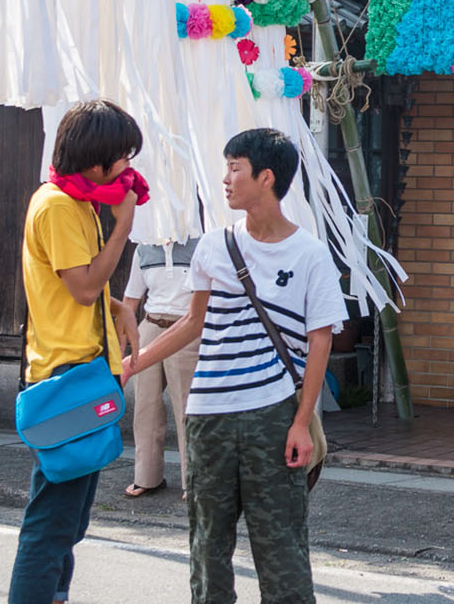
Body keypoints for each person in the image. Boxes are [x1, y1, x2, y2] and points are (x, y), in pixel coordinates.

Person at [123, 128, 345, 604]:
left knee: (281, 547)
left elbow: (320, 339)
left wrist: (303, 423)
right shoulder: (213, 246)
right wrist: (136, 361)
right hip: (207, 414)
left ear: (266, 177)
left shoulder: (310, 254)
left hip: (273, 416)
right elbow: (193, 322)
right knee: (207, 546)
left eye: (234, 168)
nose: (224, 179)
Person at [9, 101, 144, 604]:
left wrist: (117, 308)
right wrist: (123, 227)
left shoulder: (74, 201)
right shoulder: (60, 206)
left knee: (67, 521)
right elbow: (83, 287)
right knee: (52, 524)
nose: (127, 168)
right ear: (95, 157)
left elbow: (67, 286)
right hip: (68, 376)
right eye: (121, 156)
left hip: (79, 373)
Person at [119, 237, 198, 498]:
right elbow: (129, 301)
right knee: (145, 406)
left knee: (187, 406)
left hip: (187, 327)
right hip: (150, 324)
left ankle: (193, 480)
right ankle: (146, 477)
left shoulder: (199, 243)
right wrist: (119, 354)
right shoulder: (143, 248)